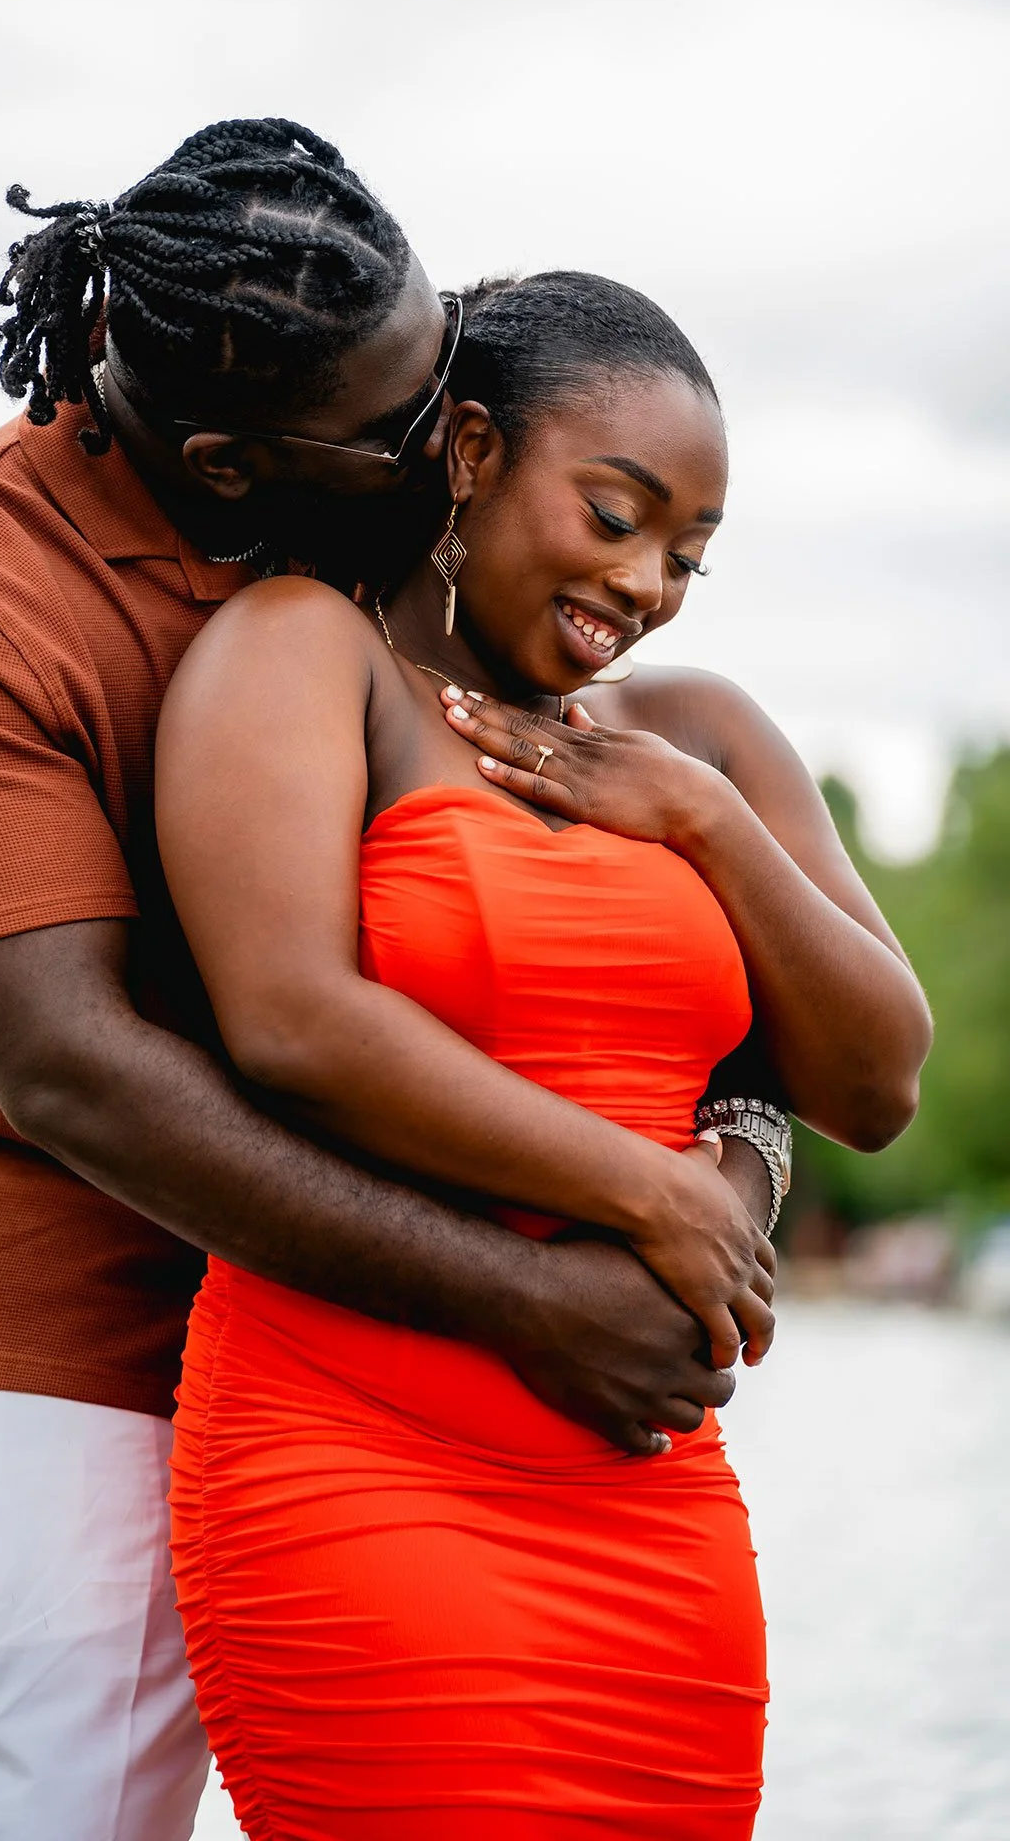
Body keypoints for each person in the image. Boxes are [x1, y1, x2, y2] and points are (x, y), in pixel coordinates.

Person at [0, 121, 781, 1841]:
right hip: (98, 1374)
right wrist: (533, 1298)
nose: (452, 447)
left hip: (469, 1409)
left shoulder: (360, 494)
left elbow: (629, 923)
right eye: (411, 431)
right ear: (226, 456)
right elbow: (76, 1074)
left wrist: (739, 1141)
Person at [156, 271, 934, 1838]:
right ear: (469, 453)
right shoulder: (311, 657)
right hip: (355, 1459)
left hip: (646, 1490)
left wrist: (703, 821)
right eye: (615, 513)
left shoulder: (701, 737)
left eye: (690, 555)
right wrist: (654, 1197)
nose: (646, 581)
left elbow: (874, 1083)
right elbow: (292, 1022)